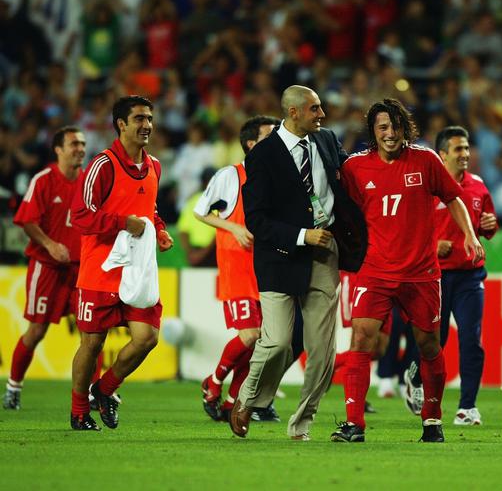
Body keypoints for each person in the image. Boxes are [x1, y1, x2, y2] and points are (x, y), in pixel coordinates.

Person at [331, 99, 484, 443]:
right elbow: (342, 212)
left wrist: (470, 236)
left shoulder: (426, 160)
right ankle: (355, 424)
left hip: (421, 273)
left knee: (428, 345)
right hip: (374, 271)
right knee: (361, 339)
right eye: (382, 127)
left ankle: (432, 420)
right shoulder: (356, 168)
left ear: (405, 128)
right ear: (373, 131)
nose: (390, 133)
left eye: (395, 126)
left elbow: (453, 197)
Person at [230, 85, 366, 441]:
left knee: (322, 350)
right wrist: (303, 235)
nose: (322, 114)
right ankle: (247, 398)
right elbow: (256, 220)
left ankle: (302, 423)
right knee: (277, 342)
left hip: (325, 254)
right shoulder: (262, 156)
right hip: (280, 258)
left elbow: (350, 183)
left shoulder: (327, 141)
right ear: (293, 113)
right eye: (314, 109)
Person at [69, 95, 174, 431]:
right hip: (101, 271)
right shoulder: (103, 165)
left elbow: (150, 209)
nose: (147, 125)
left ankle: (105, 389)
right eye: (140, 119)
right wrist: (121, 223)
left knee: (147, 337)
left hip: (138, 271)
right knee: (93, 342)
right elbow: (81, 215)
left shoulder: (154, 165)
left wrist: (159, 231)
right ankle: (78, 411)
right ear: (121, 124)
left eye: (150, 118)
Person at [194, 115, 283, 422]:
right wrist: (233, 228)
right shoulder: (230, 175)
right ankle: (214, 382)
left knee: (261, 342)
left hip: (265, 269)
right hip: (236, 266)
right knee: (251, 334)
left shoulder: (276, 178)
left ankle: (233, 400)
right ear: (251, 143)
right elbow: (201, 212)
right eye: (270, 136)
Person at [3, 126, 86, 410]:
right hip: (47, 266)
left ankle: (92, 395)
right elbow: (26, 219)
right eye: (74, 144)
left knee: (93, 332)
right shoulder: (44, 180)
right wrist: (50, 245)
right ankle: (14, 386)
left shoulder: (89, 182)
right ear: (58, 150)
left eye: (83, 144)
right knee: (36, 331)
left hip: (81, 268)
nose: (80, 149)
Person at [427, 125, 499, 425]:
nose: (465, 154)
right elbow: (409, 228)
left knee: (472, 339)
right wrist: (433, 245)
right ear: (442, 155)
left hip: (470, 277)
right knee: (434, 341)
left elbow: (487, 227)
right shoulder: (427, 187)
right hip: (436, 277)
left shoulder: (479, 186)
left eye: (467, 148)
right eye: (458, 149)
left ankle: (467, 407)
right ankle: (419, 384)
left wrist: (490, 225)